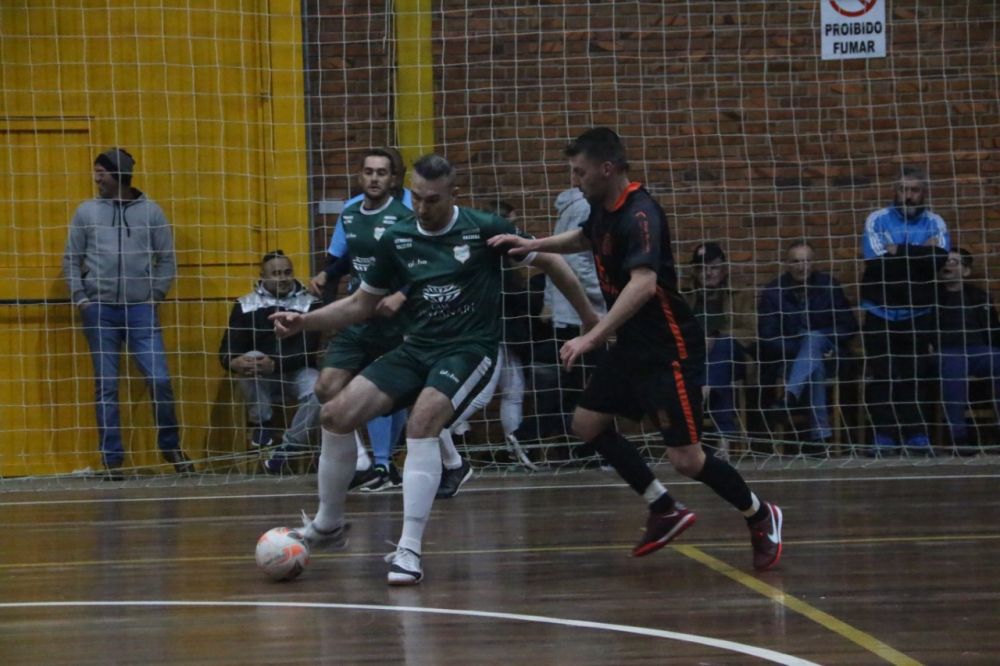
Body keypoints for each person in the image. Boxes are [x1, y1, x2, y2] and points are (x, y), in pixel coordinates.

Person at [271, 153, 599, 585]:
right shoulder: (400, 237)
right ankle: (328, 525)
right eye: (417, 199)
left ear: (453, 196)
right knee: (334, 412)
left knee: (423, 422)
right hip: (417, 347)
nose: (423, 209)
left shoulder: (485, 229)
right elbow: (360, 304)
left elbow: (552, 262)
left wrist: (591, 322)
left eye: (432, 201)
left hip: (469, 350)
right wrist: (304, 321)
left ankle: (409, 549)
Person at [490, 127, 783, 572]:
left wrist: (592, 334)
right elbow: (585, 239)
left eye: (580, 172)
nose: (575, 180)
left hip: (668, 350)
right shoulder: (600, 207)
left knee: (687, 459)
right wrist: (533, 245)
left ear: (607, 168)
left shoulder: (641, 213)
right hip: (631, 346)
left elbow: (643, 284)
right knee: (587, 424)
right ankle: (662, 506)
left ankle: (760, 514)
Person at [62, 148, 193, 480]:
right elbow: (71, 259)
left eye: (101, 172)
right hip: (100, 311)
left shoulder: (151, 212)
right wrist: (82, 299)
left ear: (118, 175)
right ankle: (112, 459)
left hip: (140, 311)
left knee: (160, 379)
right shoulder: (86, 212)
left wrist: (154, 297)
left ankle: (171, 446)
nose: (96, 178)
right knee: (106, 384)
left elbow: (167, 260)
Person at [312, 148, 413, 492]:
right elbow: (355, 252)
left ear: (393, 180)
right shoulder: (351, 212)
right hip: (357, 311)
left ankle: (392, 465)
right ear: (360, 177)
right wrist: (329, 274)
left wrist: (402, 294)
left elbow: (422, 264)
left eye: (381, 173)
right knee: (326, 388)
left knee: (387, 394)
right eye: (368, 172)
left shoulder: (403, 218)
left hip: (394, 319)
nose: (374, 178)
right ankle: (360, 462)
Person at [509, 186, 607, 453]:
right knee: (596, 381)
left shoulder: (575, 208)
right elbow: (576, 264)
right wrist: (606, 298)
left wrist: (551, 304)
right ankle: (530, 434)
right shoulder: (584, 208)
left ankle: (571, 448)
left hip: (572, 312)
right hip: (584, 314)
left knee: (575, 385)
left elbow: (559, 263)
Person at [861, 165, 950, 455]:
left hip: (918, 313)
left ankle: (916, 435)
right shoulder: (877, 219)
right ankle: (885, 436)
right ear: (894, 191)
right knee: (884, 375)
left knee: (915, 375)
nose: (907, 196)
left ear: (923, 193)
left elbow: (939, 260)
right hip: (880, 313)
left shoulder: (935, 221)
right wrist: (920, 252)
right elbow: (876, 263)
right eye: (902, 189)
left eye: (913, 190)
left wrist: (898, 251)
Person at [219, 251, 323, 473]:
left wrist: (276, 364)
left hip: (298, 372)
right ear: (262, 276)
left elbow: (307, 350)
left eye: (287, 272)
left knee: (319, 389)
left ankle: (290, 447)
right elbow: (227, 349)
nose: (283, 278)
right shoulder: (246, 304)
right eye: (276, 273)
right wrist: (232, 362)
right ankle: (262, 423)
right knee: (253, 357)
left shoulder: (309, 303)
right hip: (261, 378)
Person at [757, 241, 858, 454]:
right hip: (789, 359)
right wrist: (805, 348)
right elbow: (767, 337)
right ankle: (819, 438)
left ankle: (788, 398)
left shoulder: (829, 286)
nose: (801, 266)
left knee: (813, 341)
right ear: (786, 264)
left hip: (832, 355)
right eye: (795, 261)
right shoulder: (773, 292)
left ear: (813, 264)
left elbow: (849, 326)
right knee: (815, 367)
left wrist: (819, 341)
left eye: (806, 261)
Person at [682, 242, 756, 454]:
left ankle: (704, 393)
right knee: (716, 374)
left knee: (722, 348)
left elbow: (752, 332)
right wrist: (698, 342)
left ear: (723, 269)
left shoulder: (739, 295)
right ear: (694, 272)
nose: (708, 273)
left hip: (735, 360)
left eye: (713, 267)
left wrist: (716, 337)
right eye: (701, 268)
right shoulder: (684, 297)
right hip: (693, 361)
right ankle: (724, 437)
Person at [931, 249, 1000, 454]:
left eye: (955, 262)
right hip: (946, 352)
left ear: (966, 271)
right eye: (946, 261)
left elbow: (993, 331)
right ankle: (958, 436)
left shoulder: (979, 296)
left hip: (978, 351)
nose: (949, 265)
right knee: (954, 365)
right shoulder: (930, 296)